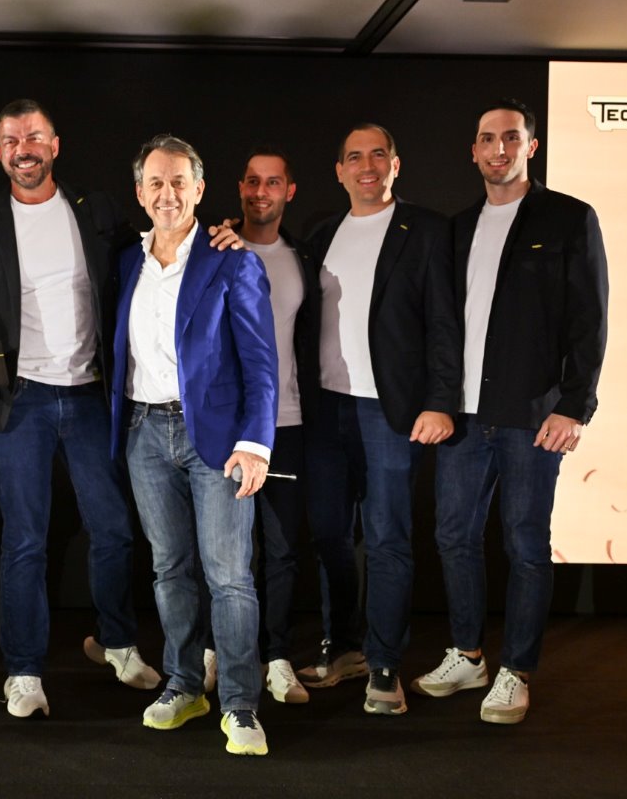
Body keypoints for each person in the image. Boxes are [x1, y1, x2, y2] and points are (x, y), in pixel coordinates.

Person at [0, 99, 160, 719]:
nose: (24, 149)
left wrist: (214, 236)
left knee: (113, 529)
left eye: (34, 137)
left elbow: (152, 258)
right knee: (24, 540)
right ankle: (24, 670)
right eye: (12, 140)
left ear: (55, 145)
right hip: (21, 400)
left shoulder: (98, 211)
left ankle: (116, 642)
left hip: (91, 394)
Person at [411, 99, 608, 724]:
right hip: (462, 419)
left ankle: (516, 670)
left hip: (530, 417)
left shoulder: (570, 218)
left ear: (531, 146)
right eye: (488, 139)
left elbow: (590, 321)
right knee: (453, 537)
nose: (499, 149)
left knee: (525, 545)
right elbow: (442, 327)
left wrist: (574, 406)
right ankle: (468, 655)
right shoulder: (457, 228)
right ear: (473, 151)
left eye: (511, 138)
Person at [111, 134, 278, 755]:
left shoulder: (232, 260)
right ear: (140, 193)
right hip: (144, 434)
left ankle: (239, 704)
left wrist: (256, 444)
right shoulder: (126, 263)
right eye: (155, 182)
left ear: (200, 189)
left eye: (179, 181)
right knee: (169, 569)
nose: (167, 193)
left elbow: (262, 362)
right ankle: (184, 685)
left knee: (229, 576)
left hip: (219, 439)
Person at [303, 123, 461, 715]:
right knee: (329, 534)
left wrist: (440, 400)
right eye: (354, 157)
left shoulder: (426, 230)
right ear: (339, 171)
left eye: (378, 155)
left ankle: (385, 662)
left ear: (396, 164)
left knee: (388, 537)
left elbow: (445, 322)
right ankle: (344, 646)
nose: (366, 166)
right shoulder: (322, 233)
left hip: (391, 410)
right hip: (325, 408)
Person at [230, 146, 318, 705]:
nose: (261, 191)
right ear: (240, 188)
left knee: (282, 550)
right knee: (225, 553)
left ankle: (277, 657)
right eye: (252, 181)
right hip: (227, 427)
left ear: (290, 191)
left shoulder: (301, 257)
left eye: (272, 182)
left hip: (288, 423)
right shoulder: (216, 248)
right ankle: (219, 652)